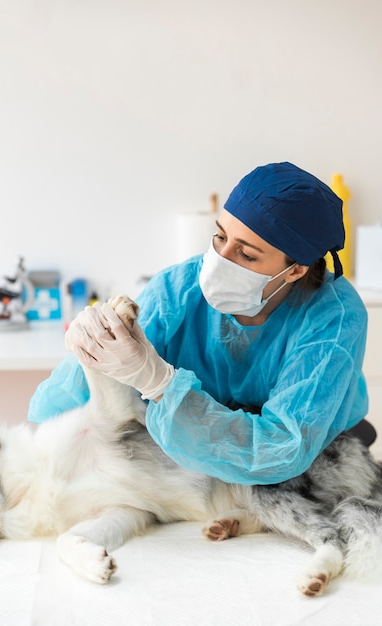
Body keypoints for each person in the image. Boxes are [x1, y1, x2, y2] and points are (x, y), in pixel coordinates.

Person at [28, 161, 372, 485]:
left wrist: (160, 383)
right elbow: (59, 409)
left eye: (247, 254)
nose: (220, 261)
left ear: (296, 269)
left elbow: (282, 449)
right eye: (220, 237)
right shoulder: (178, 290)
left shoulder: (334, 318)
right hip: (190, 452)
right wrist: (90, 352)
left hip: (309, 458)